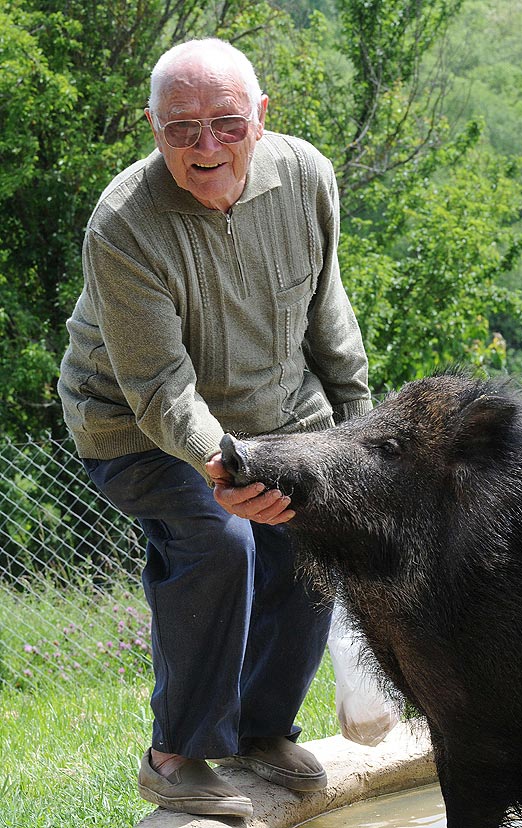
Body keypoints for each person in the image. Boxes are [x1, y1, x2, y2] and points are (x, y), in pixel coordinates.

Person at [58, 37, 371, 818]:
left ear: (262, 118)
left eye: (227, 124)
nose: (205, 148)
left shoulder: (306, 176)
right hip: (133, 425)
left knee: (313, 525)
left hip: (279, 416)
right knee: (217, 539)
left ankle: (262, 733)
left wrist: (357, 437)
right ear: (152, 126)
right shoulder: (123, 224)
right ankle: (177, 755)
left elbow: (328, 316)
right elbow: (160, 389)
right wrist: (221, 468)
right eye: (181, 128)